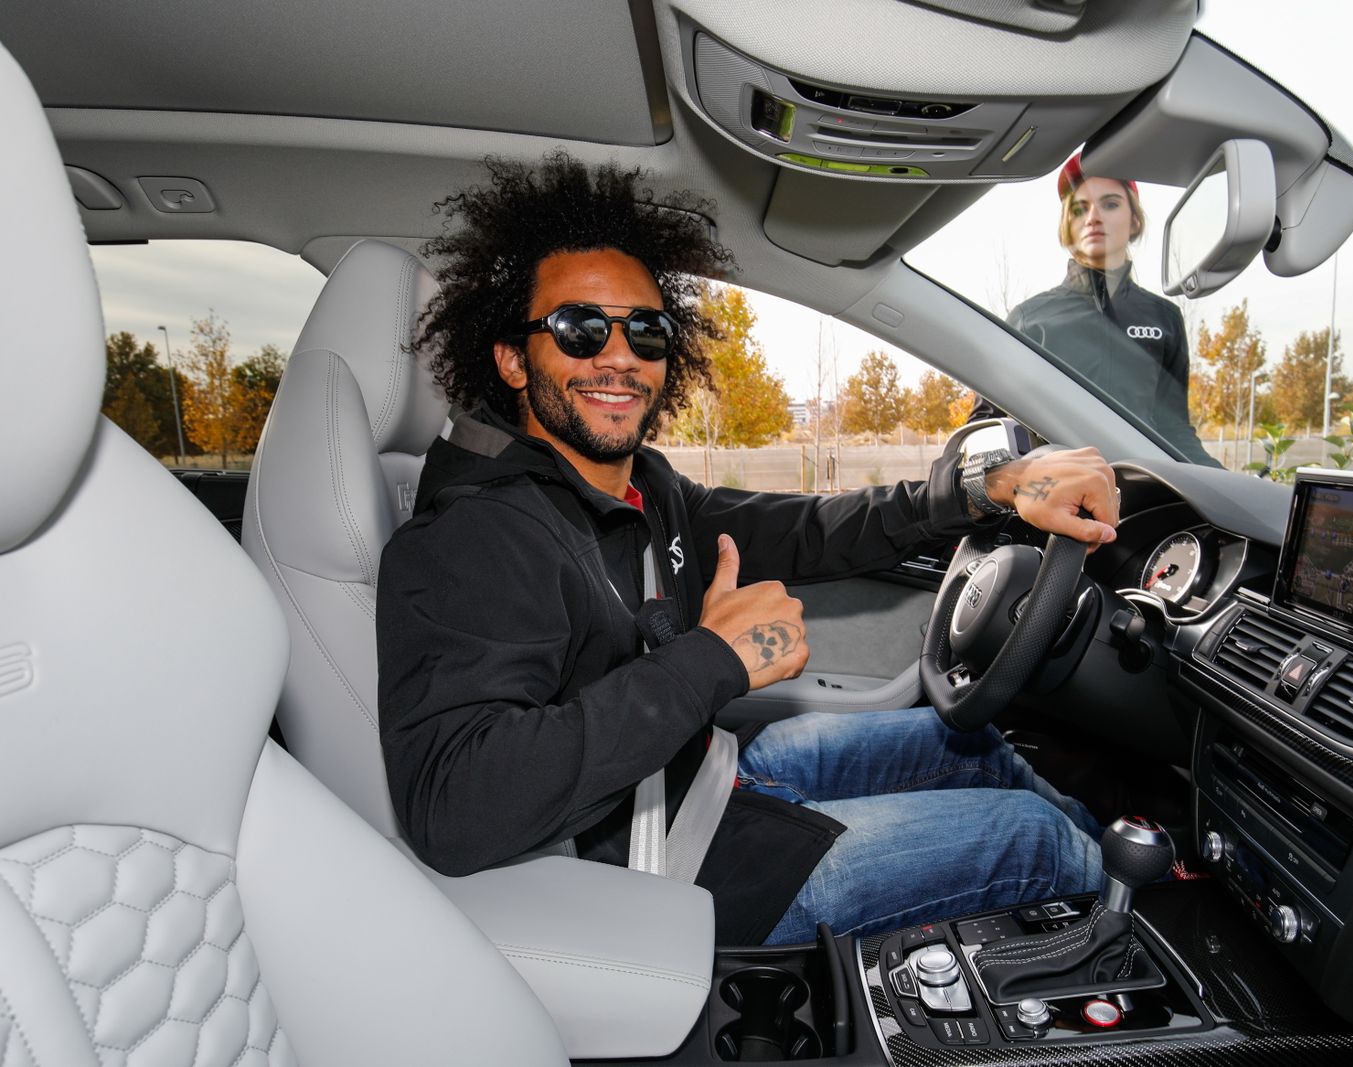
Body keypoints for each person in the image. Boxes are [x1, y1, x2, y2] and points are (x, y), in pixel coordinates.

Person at [377, 153, 1122, 946]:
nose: (619, 356)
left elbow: (809, 529)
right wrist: (709, 660)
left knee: (969, 744)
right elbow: (454, 802)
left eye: (647, 331)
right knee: (1032, 840)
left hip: (703, 778)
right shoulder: (475, 536)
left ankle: (1132, 869)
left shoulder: (641, 489)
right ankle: (1161, 928)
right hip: (665, 864)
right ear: (511, 358)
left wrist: (986, 488)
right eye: (580, 329)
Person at [993, 153, 1218, 466]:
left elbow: (1175, 430)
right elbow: (989, 428)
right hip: (1057, 492)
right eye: (1079, 209)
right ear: (1067, 226)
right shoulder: (1029, 320)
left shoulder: (1164, 318)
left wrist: (1228, 485)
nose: (1093, 217)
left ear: (1134, 220)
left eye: (1110, 204)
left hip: (1146, 488)